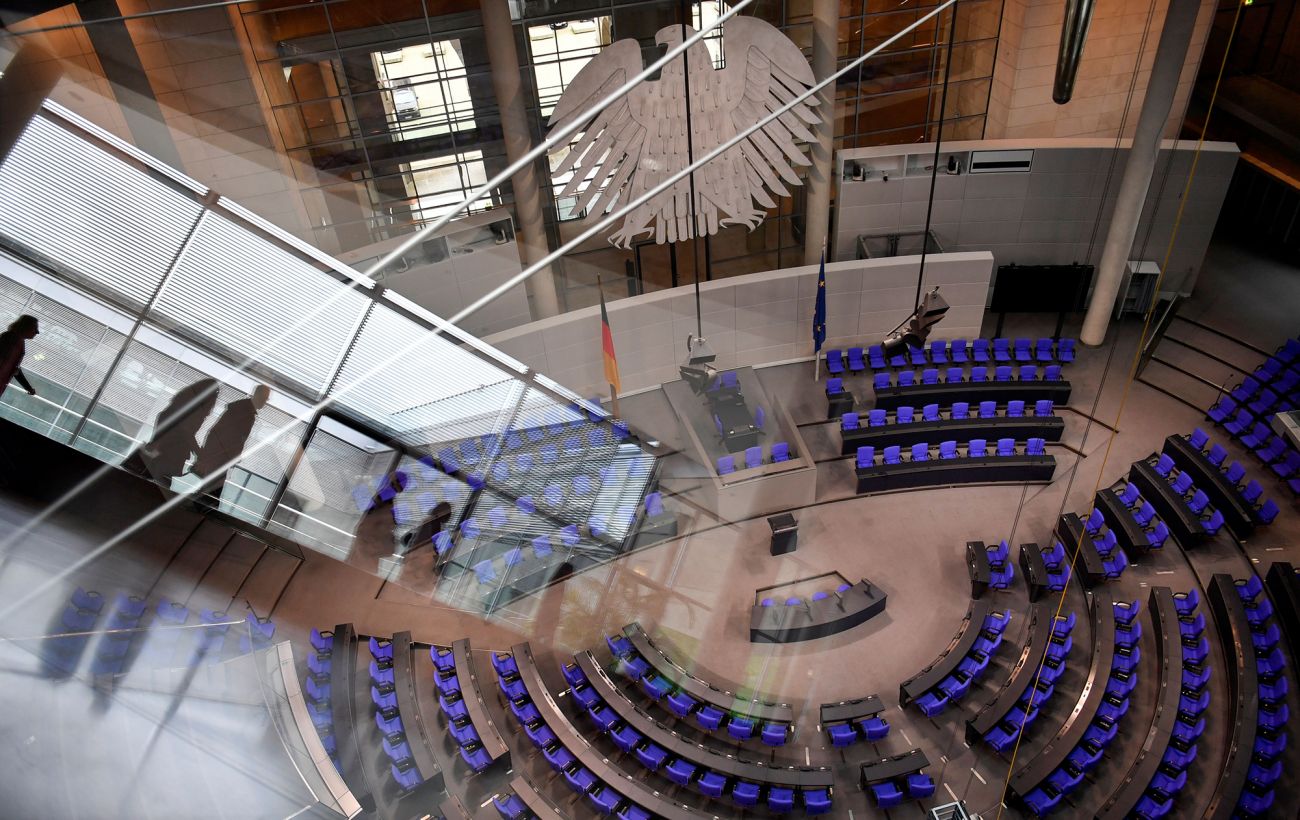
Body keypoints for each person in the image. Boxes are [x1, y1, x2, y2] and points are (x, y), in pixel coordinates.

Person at [131, 377, 219, 484]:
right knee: (158, 486)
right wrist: (200, 453)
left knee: (142, 483)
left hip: (161, 452)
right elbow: (186, 432)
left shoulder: (176, 407)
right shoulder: (195, 413)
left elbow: (178, 429)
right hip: (169, 454)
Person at [192, 385, 271, 497]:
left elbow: (219, 433)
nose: (265, 402)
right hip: (220, 459)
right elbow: (227, 436)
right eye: (265, 398)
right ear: (258, 395)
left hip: (220, 458)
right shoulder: (244, 413)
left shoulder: (242, 410)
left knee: (209, 492)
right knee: (211, 494)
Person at [0, 314, 39, 397]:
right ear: (26, 327)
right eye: (35, 328)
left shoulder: (17, 341)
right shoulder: (10, 339)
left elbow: (14, 368)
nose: (37, 332)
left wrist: (28, 387)